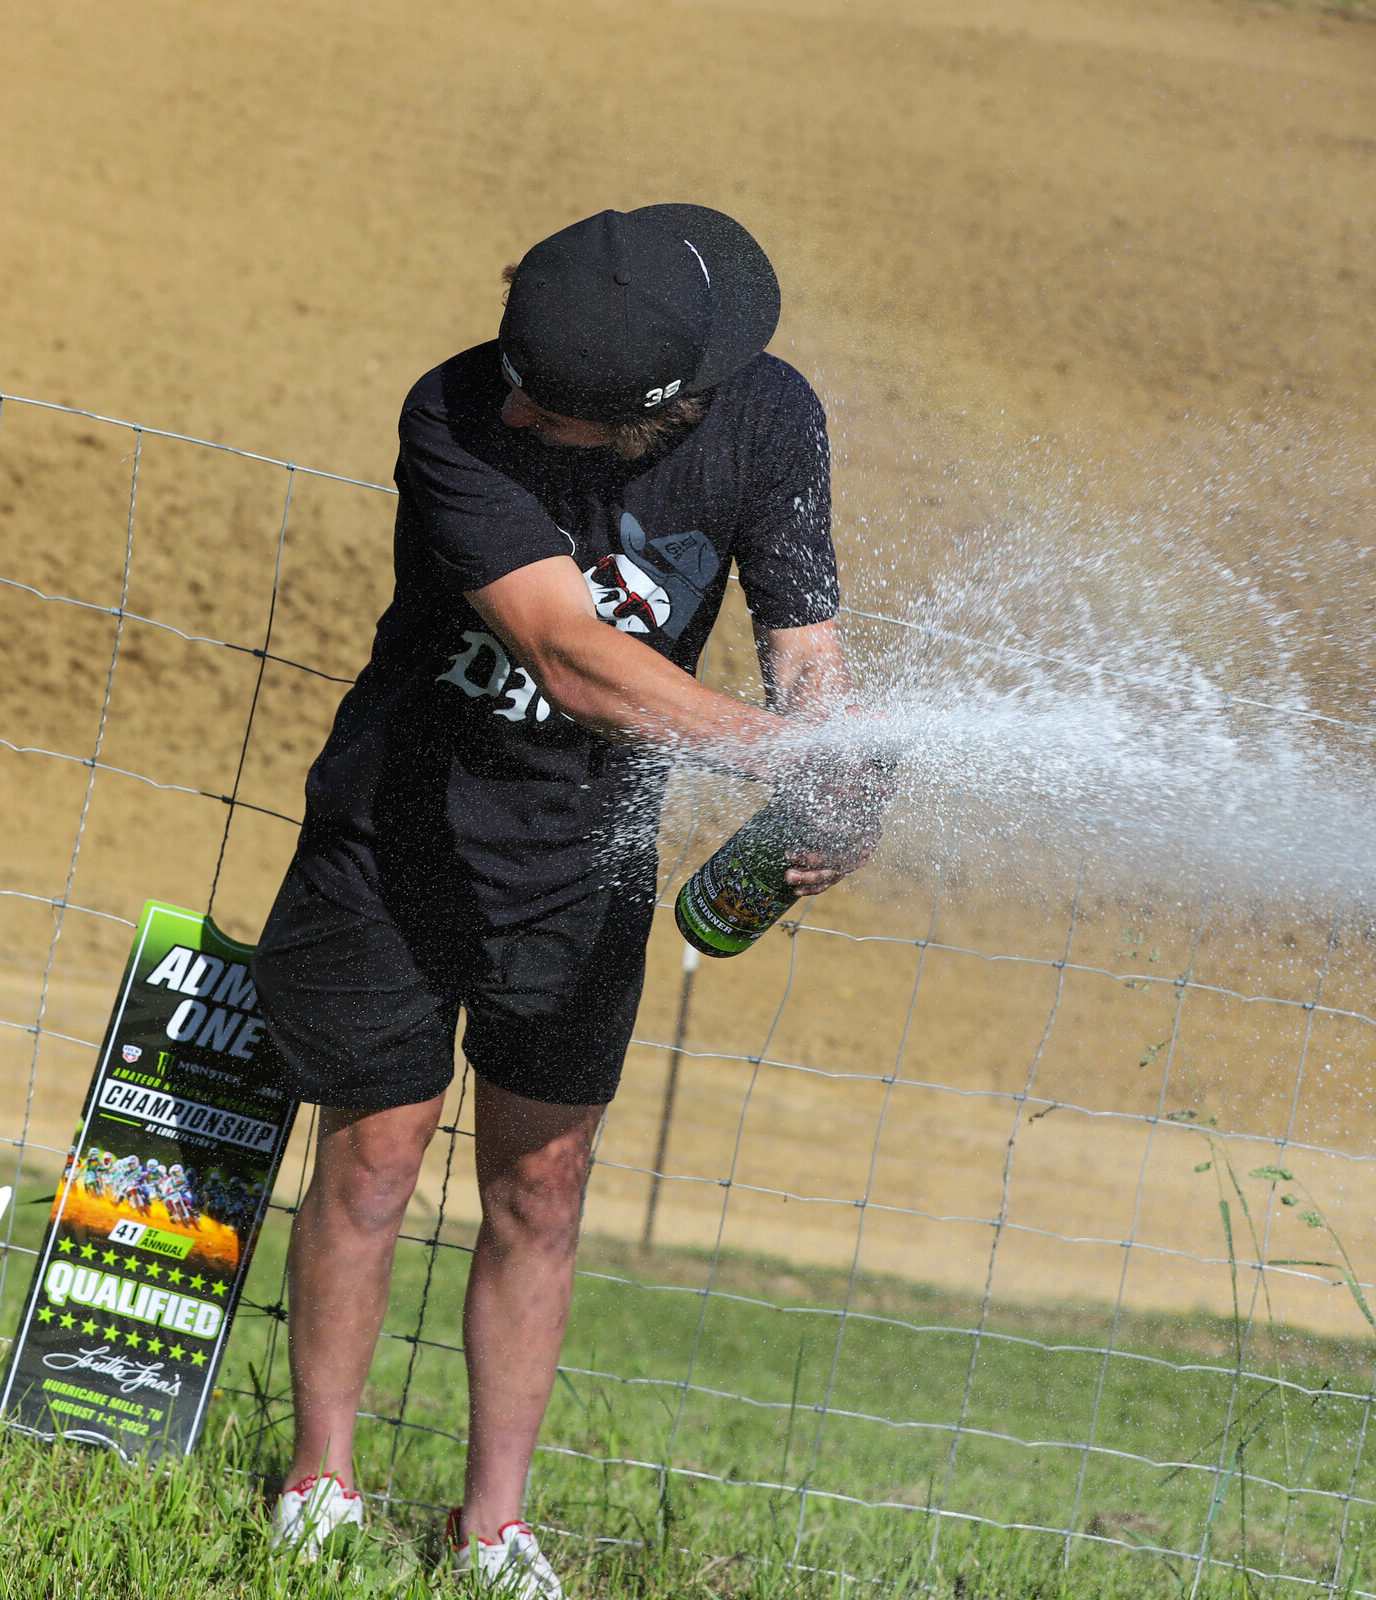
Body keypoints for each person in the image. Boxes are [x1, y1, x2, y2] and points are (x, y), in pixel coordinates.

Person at [252, 206, 880, 1597]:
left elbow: (807, 642)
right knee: (372, 1162)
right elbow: (568, 650)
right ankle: (319, 1483)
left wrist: (830, 771)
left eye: (558, 404)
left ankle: (495, 1530)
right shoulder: (455, 416)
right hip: (398, 835)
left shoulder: (772, 421)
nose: (520, 402)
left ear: (667, 406)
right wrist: (780, 755)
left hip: (583, 863)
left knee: (544, 1183)